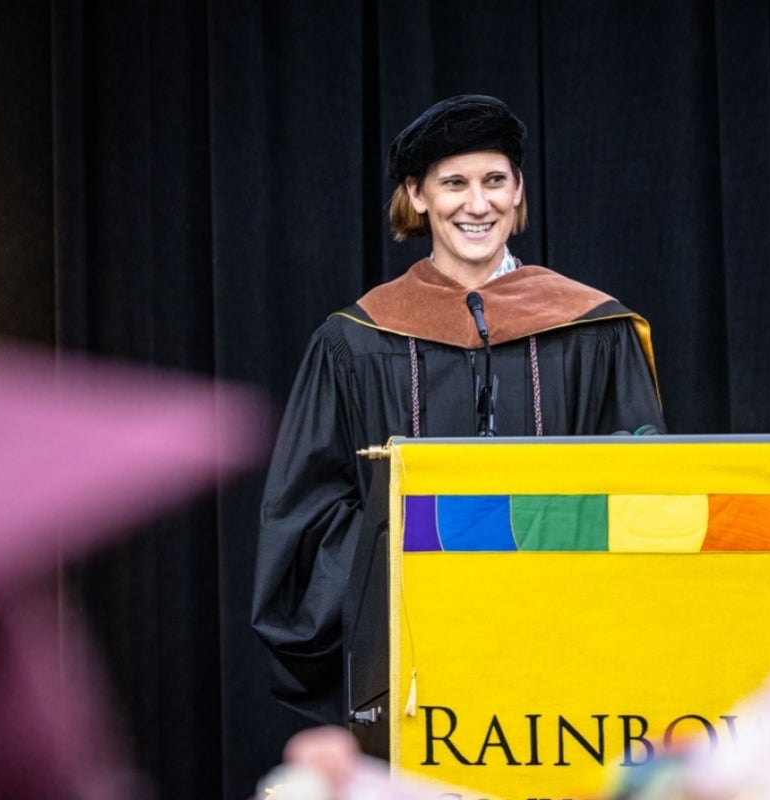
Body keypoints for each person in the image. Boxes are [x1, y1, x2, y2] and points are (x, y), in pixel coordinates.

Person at [251, 94, 666, 724]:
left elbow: (643, 488)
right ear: (417, 195)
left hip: (565, 651)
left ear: (518, 188)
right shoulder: (356, 340)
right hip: (414, 660)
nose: (478, 204)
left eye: (494, 180)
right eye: (454, 184)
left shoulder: (592, 329)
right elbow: (306, 510)